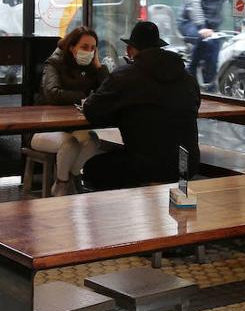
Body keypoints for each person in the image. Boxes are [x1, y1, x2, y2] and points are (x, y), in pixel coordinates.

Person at [81, 21, 200, 190]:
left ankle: (123, 215)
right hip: (186, 165)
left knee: (94, 168)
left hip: (145, 166)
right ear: (160, 47)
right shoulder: (187, 78)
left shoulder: (124, 76)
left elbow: (92, 111)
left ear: (130, 51)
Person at [30, 26, 110, 196]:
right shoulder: (54, 63)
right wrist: (83, 96)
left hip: (72, 126)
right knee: (70, 144)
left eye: (93, 48)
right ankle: (62, 183)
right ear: (72, 47)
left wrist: (99, 67)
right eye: (84, 47)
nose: (88, 52)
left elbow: (108, 92)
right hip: (44, 127)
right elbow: (52, 93)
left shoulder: (90, 68)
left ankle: (71, 177)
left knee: (92, 142)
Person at [178, 0, 235, 89]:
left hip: (213, 26)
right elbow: (193, 4)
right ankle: (193, 76)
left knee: (215, 51)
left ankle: (208, 81)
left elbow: (237, 0)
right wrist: (201, 27)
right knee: (208, 43)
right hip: (190, 23)